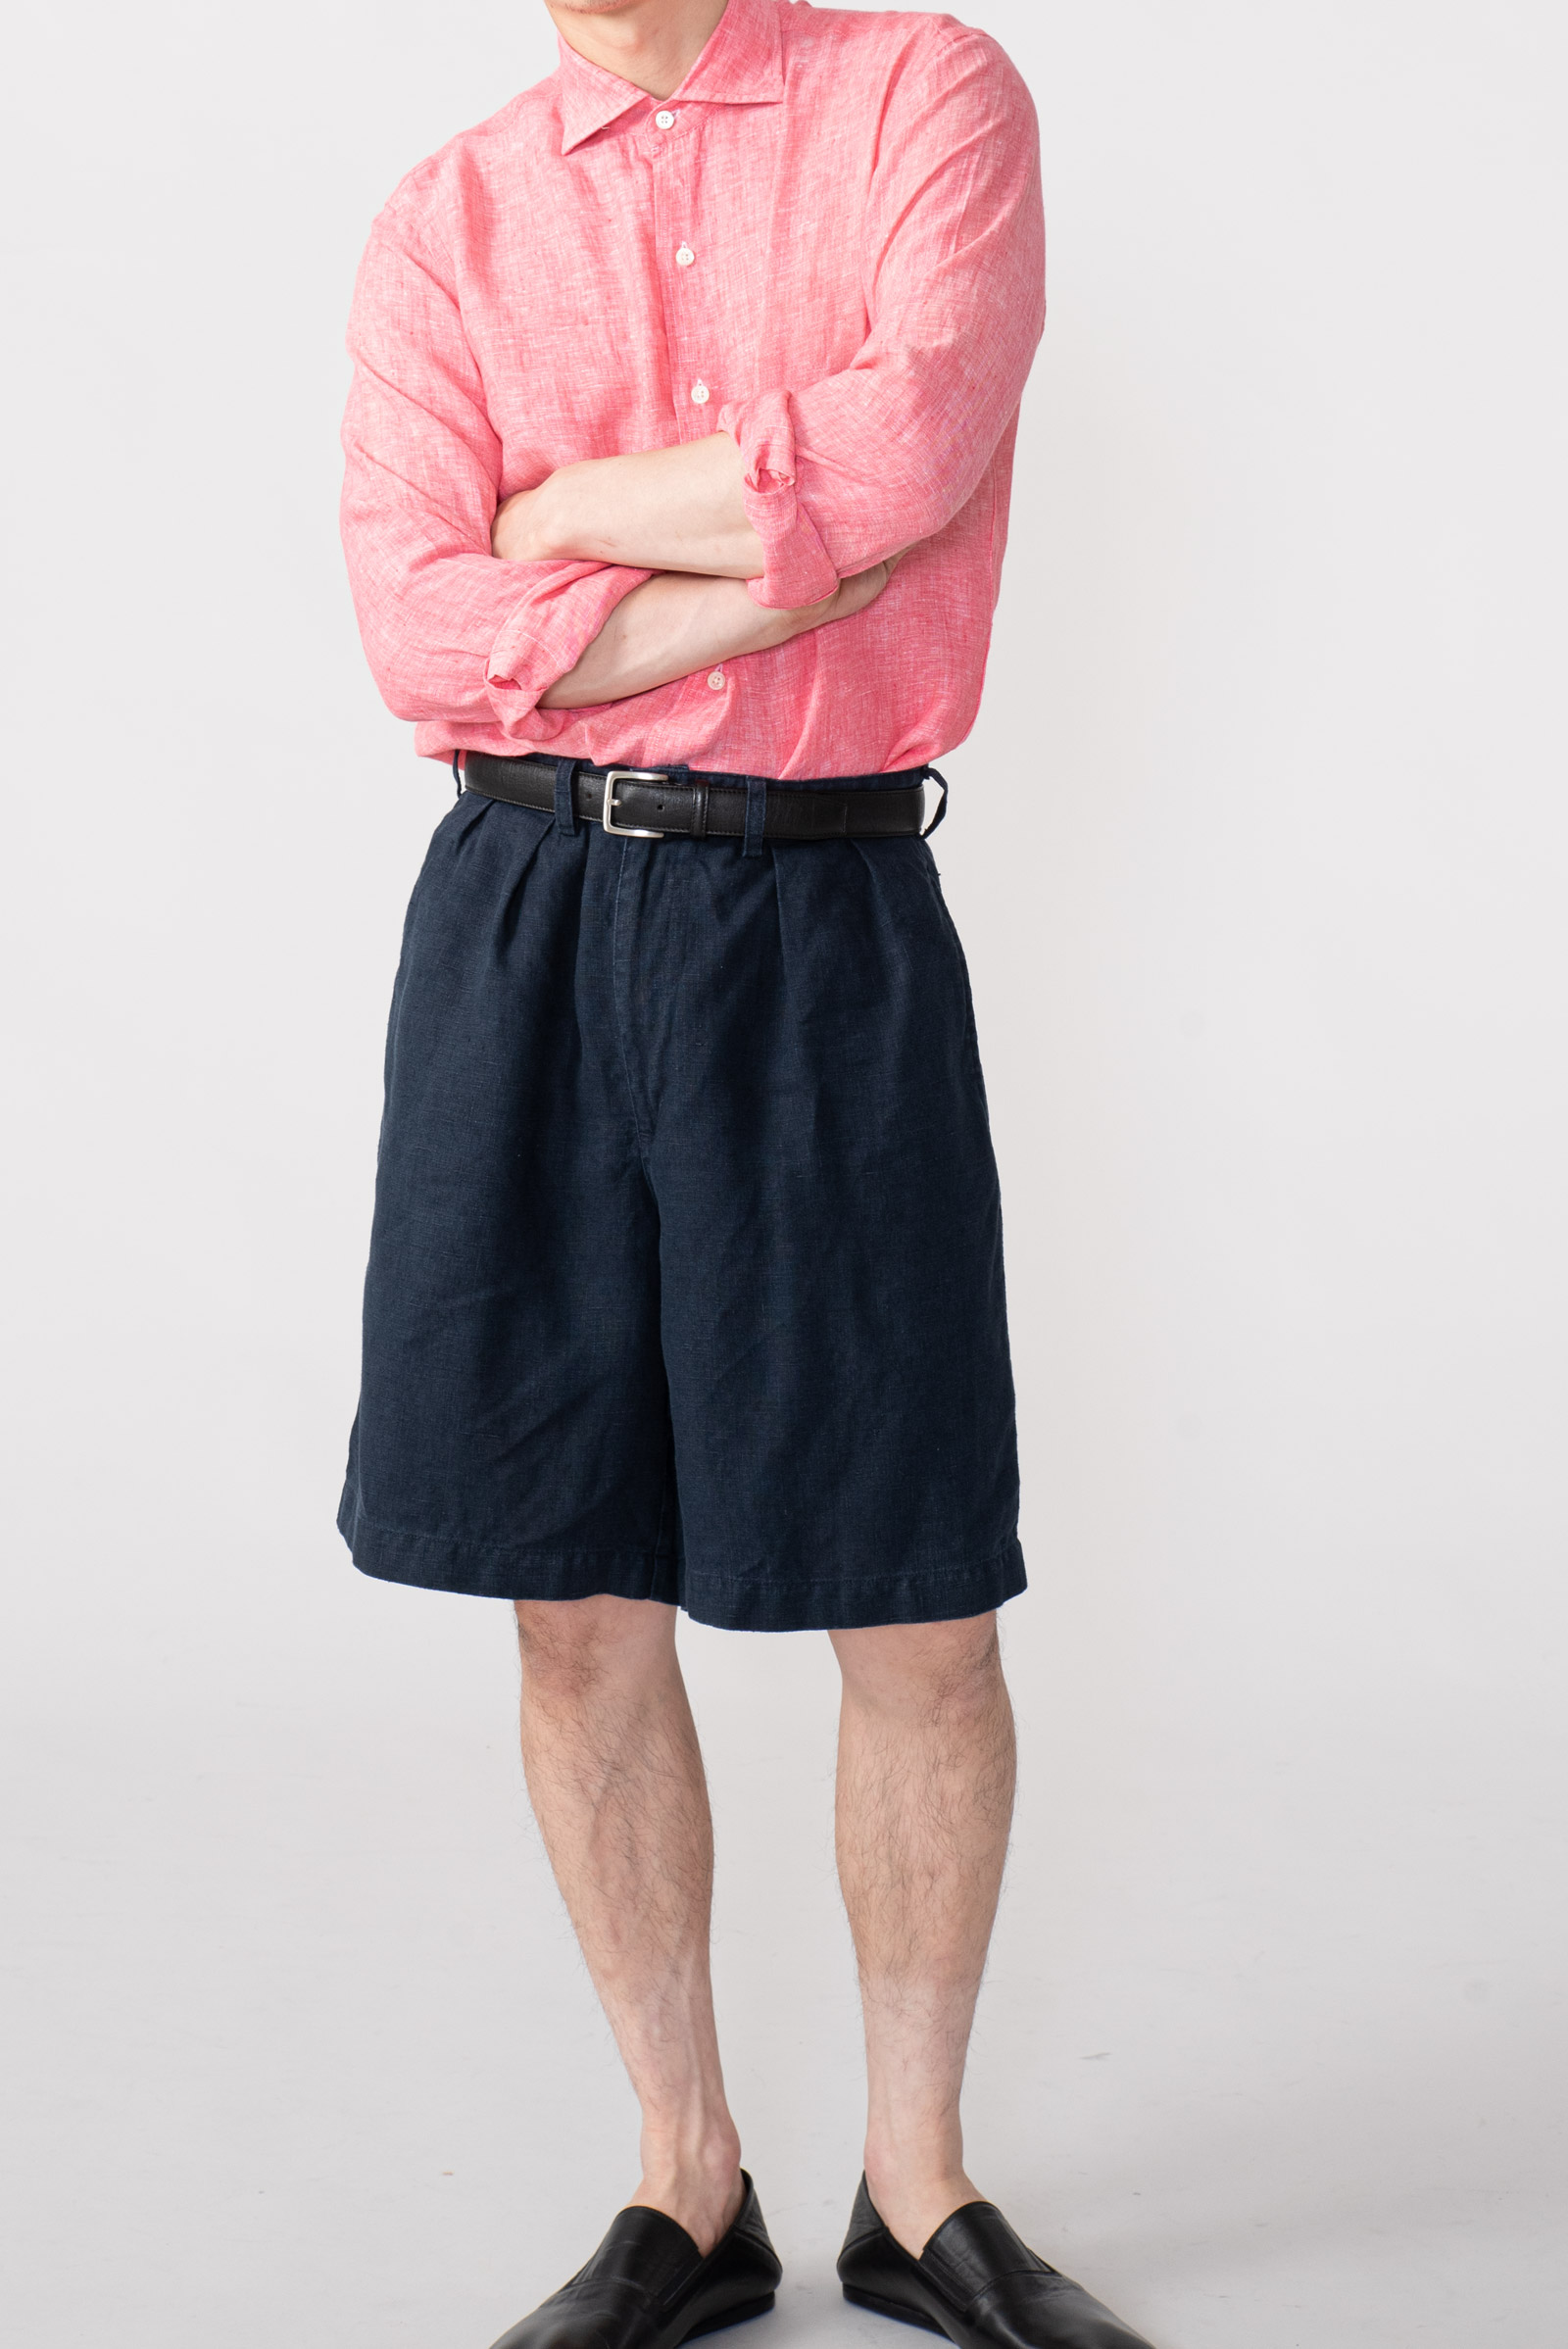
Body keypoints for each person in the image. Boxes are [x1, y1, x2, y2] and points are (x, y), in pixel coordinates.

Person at [337, 3, 1157, 2345]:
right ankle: (682, 2183)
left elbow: (901, 451)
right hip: (519, 917)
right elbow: (413, 620)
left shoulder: (921, 100)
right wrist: (760, 563)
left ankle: (918, 2183)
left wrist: (561, 512)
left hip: (818, 913)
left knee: (911, 1590)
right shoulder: (452, 214)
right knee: (567, 1586)